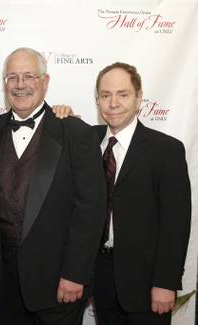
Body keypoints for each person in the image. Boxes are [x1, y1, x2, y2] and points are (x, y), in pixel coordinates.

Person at [0, 47, 106, 325]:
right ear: (5, 84)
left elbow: (91, 211)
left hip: (59, 285)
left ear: (45, 81)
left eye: (29, 76)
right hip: (3, 282)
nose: (20, 85)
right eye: (12, 77)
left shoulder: (76, 133)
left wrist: (76, 273)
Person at [92, 62, 191, 324]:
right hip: (99, 278)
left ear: (138, 99)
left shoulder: (166, 150)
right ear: (98, 101)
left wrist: (166, 283)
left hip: (148, 285)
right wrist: (61, 113)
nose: (113, 103)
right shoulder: (87, 143)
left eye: (122, 94)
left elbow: (176, 224)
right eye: (105, 95)